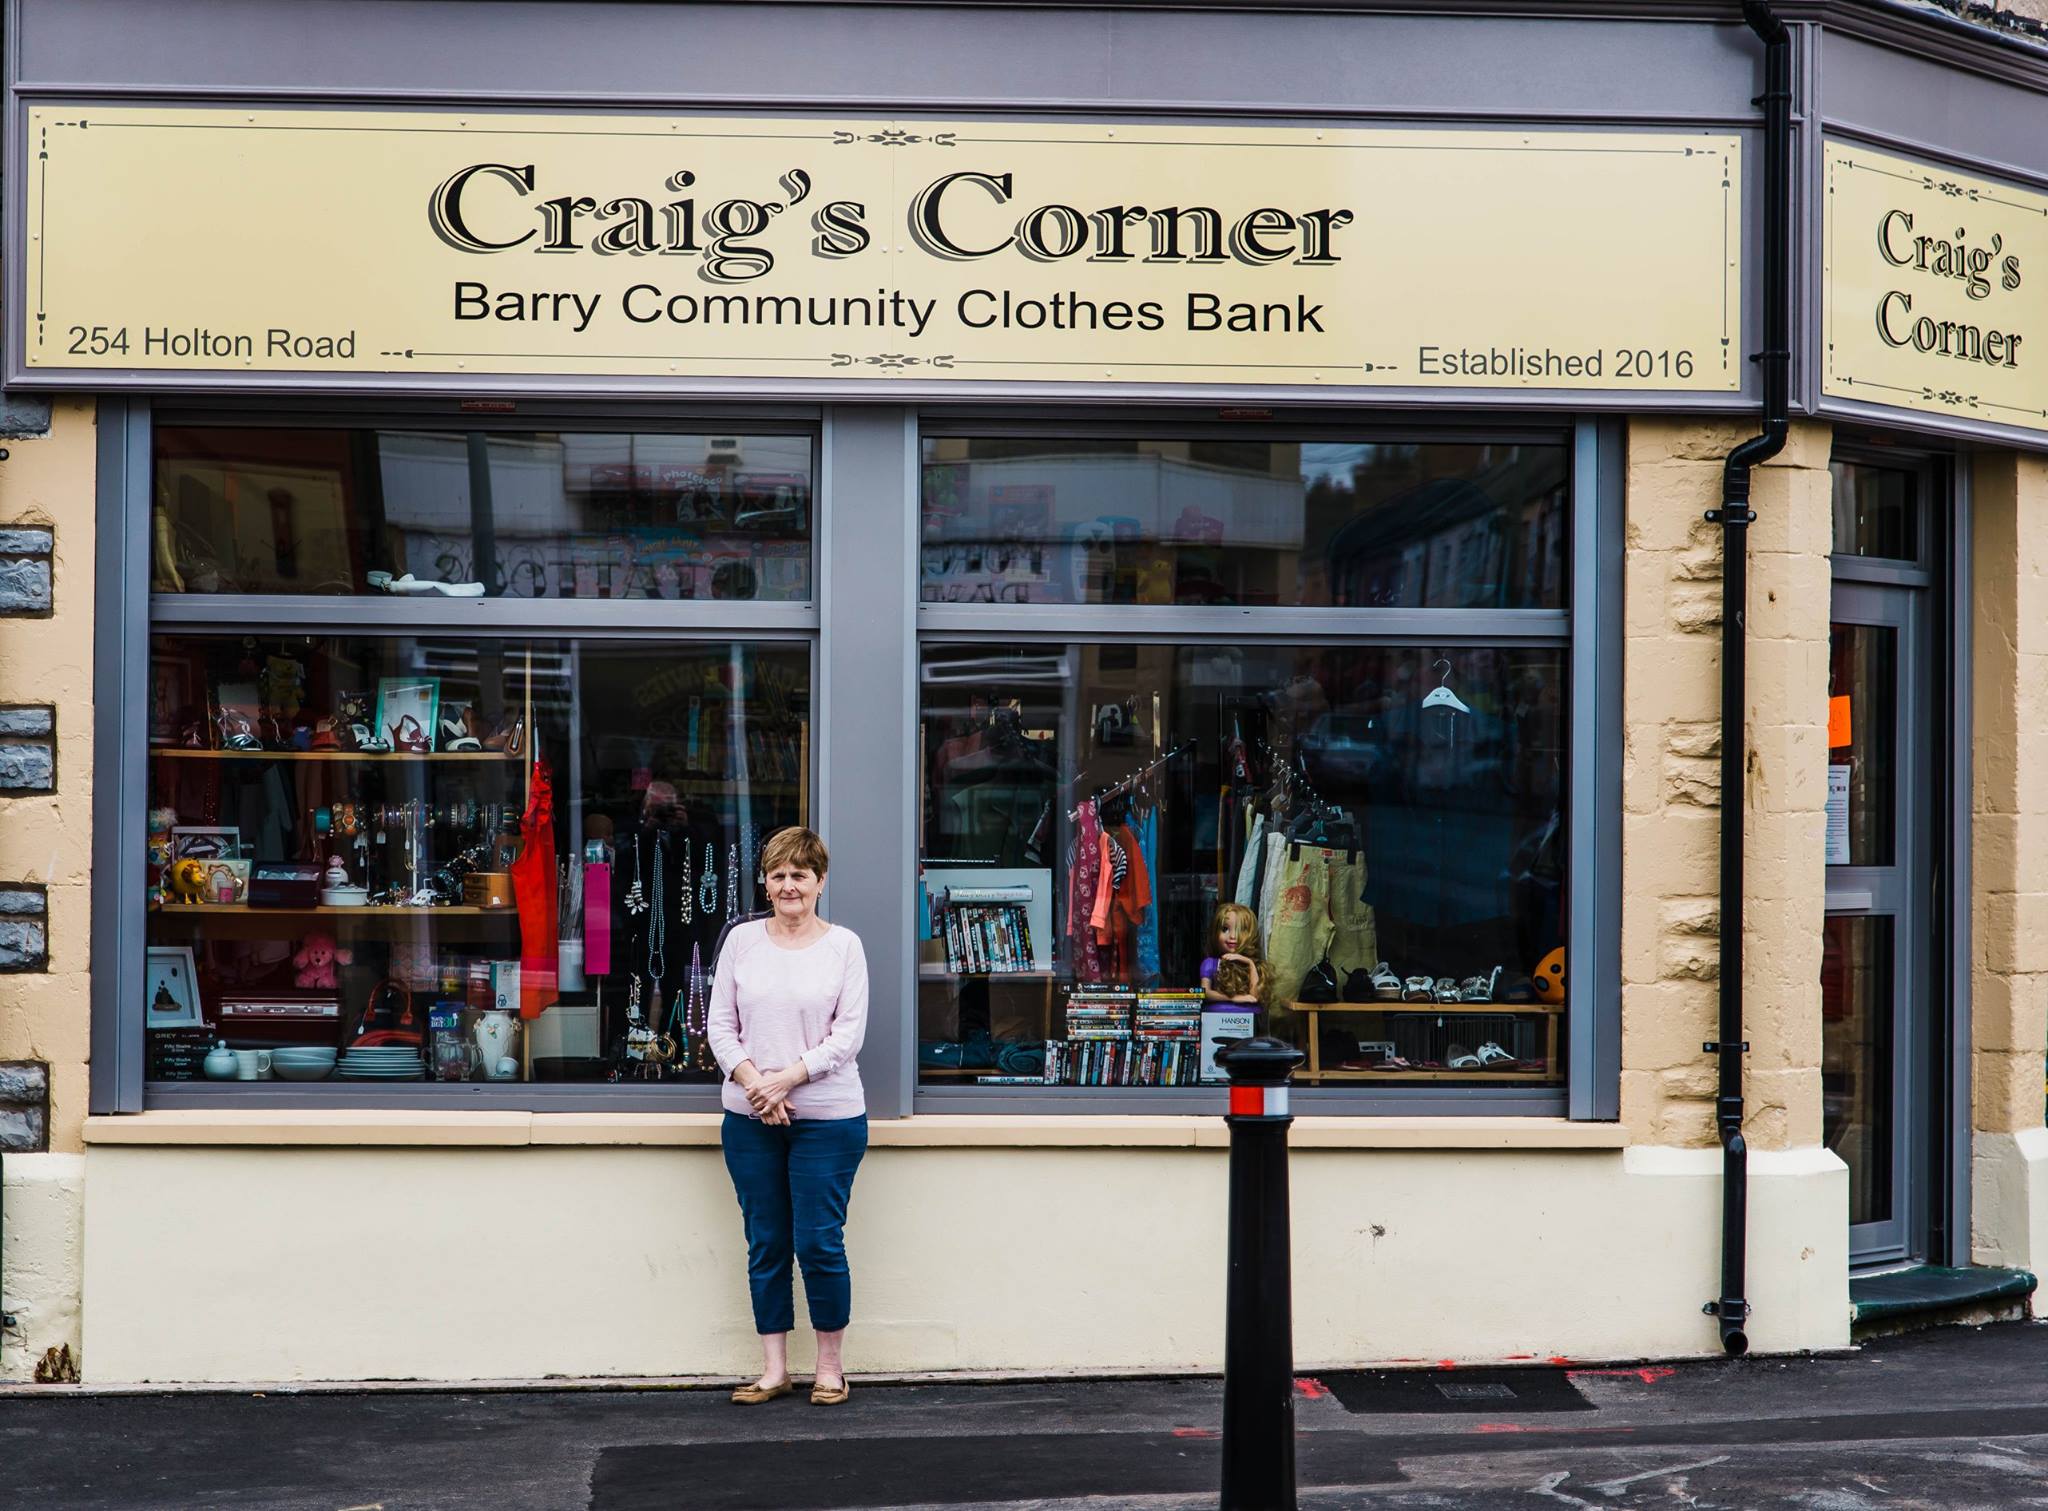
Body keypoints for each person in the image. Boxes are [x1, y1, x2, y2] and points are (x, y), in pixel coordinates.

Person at [706, 826, 869, 1406]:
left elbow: (847, 1035)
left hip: (828, 1118)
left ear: (820, 882)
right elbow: (719, 1025)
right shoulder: (741, 942)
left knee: (820, 1242)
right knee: (766, 1241)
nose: (789, 884)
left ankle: (830, 1368)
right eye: (778, 874)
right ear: (765, 883)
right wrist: (756, 1086)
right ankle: (774, 1370)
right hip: (750, 1118)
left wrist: (787, 1078)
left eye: (801, 874)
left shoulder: (844, 946)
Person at [1201, 901, 1270, 1009]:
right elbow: (1205, 993)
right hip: (1218, 1016)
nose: (1233, 936)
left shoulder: (1251, 966)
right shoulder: (1211, 963)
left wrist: (1249, 963)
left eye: (1241, 930)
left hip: (1247, 1018)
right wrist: (1233, 998)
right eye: (1225, 929)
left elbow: (1254, 996)